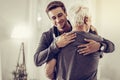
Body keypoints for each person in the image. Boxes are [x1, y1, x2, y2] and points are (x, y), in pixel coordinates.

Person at [34, 1, 115, 80]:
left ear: (66, 14)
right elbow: (37, 60)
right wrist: (56, 45)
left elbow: (109, 47)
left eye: (60, 15)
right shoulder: (47, 36)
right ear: (50, 20)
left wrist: (99, 46)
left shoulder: (88, 28)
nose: (58, 20)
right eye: (53, 18)